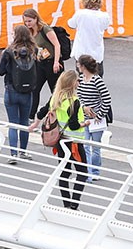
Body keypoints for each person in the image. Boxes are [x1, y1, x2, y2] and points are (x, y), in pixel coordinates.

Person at [29, 70, 91, 210]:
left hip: (60, 141)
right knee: (82, 173)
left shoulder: (55, 97)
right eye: (77, 80)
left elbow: (42, 111)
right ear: (72, 83)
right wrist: (85, 123)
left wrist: (34, 124)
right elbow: (75, 125)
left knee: (65, 172)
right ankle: (74, 205)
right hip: (74, 142)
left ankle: (66, 204)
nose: (79, 83)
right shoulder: (74, 101)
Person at [0, 24, 38, 163]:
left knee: (13, 123)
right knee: (24, 122)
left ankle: (13, 154)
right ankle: (23, 151)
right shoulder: (34, 51)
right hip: (27, 92)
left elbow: (1, 71)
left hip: (11, 90)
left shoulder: (9, 52)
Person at [76, 54, 112, 181]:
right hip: (84, 118)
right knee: (85, 146)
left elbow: (107, 99)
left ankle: (95, 172)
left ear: (83, 66)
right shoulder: (80, 79)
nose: (77, 67)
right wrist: (83, 107)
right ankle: (87, 172)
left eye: (79, 64)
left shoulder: (97, 80)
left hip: (97, 121)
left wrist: (100, 114)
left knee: (95, 148)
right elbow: (78, 97)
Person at [21, 8, 62, 118]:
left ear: (36, 19)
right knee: (35, 89)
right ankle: (31, 115)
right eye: (25, 21)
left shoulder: (45, 29)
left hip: (52, 62)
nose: (27, 23)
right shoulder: (29, 32)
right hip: (40, 63)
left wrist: (56, 62)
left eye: (29, 21)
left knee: (55, 90)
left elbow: (57, 45)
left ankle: (49, 112)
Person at [68, 0, 112, 72]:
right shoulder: (104, 16)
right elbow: (105, 27)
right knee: (97, 80)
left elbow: (71, 24)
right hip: (97, 54)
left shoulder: (80, 14)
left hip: (82, 53)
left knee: (82, 79)